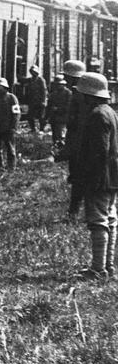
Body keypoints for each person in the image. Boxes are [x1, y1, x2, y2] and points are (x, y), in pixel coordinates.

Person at [71, 72, 118, 279]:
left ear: (88, 95)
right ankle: (107, 266)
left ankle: (98, 269)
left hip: (99, 177)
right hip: (110, 176)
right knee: (109, 219)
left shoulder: (97, 115)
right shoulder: (109, 112)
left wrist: (86, 177)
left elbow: (99, 151)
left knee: (98, 221)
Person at [64, 59, 89, 215]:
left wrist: (73, 147)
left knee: (79, 179)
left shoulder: (80, 96)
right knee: (77, 178)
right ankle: (75, 212)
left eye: (67, 77)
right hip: (76, 141)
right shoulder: (78, 94)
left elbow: (80, 124)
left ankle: (74, 213)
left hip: (80, 144)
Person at [50, 64, 79, 161]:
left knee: (61, 135)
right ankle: (56, 151)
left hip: (63, 118)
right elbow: (49, 106)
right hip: (54, 118)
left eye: (60, 84)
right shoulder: (53, 94)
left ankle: (62, 152)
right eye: (57, 84)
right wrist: (46, 117)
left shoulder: (68, 93)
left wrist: (58, 109)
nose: (58, 86)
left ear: (64, 84)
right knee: (55, 135)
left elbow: (68, 106)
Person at [23, 66, 48, 132]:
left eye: (34, 72)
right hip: (32, 101)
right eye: (32, 72)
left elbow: (44, 91)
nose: (33, 73)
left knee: (41, 117)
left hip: (40, 101)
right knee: (30, 116)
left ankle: (41, 129)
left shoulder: (41, 80)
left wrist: (43, 101)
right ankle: (33, 129)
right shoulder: (30, 80)